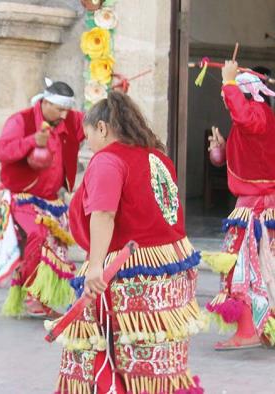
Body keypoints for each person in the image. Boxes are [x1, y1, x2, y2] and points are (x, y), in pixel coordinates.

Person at [54, 91, 204, 393]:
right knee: (156, 363)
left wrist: (95, 266)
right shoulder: (157, 157)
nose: (89, 145)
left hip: (127, 272)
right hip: (168, 273)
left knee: (101, 351)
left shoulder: (108, 160)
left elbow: (104, 214)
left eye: (88, 136)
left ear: (103, 128)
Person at [0, 79, 85, 318]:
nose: (64, 115)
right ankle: (32, 294)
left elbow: (95, 124)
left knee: (57, 249)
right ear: (45, 102)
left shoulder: (69, 119)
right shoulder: (20, 120)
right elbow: (0, 151)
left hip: (52, 200)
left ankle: (43, 296)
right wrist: (32, 141)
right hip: (22, 197)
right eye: (59, 109)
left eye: (67, 110)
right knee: (37, 235)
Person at [203, 60, 275, 350]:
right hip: (255, 204)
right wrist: (218, 150)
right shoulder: (250, 121)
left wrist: (228, 80)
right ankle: (262, 328)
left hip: (256, 208)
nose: (225, 99)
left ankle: (248, 331)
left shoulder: (257, 114)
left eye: (230, 94)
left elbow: (244, 117)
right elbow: (233, 161)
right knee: (261, 269)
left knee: (242, 268)